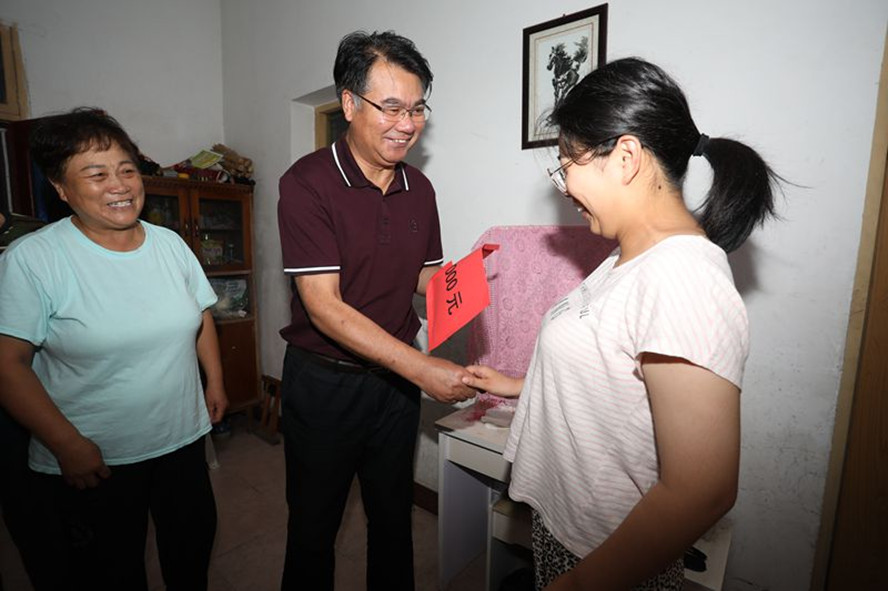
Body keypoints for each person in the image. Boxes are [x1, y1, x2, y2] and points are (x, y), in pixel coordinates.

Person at [462, 57, 780, 590]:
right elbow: (610, 373)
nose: (564, 185)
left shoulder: (684, 279)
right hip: (568, 528)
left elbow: (701, 491)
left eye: (567, 163)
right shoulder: (625, 257)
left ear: (626, 157)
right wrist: (517, 385)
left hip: (609, 556)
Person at [277, 30, 475, 590]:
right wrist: (421, 367)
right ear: (348, 104)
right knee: (313, 529)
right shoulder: (308, 183)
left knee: (393, 520)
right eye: (390, 107)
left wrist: (479, 282)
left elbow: (422, 276)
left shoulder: (420, 188)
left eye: (416, 109)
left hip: (392, 390)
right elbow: (324, 308)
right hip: (325, 384)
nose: (406, 124)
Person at [0, 107, 227, 590]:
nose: (119, 185)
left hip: (181, 439)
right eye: (96, 174)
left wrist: (216, 382)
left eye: (126, 170)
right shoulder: (33, 259)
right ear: (61, 188)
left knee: (191, 552)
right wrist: (67, 444)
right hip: (95, 457)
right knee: (112, 571)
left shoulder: (170, 244)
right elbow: (8, 366)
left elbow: (202, 314)